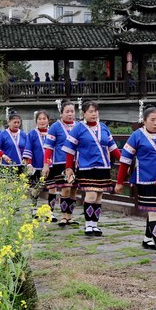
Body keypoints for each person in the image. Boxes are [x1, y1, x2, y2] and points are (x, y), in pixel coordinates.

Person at [115, 106, 156, 259]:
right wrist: (119, 182)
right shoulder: (136, 136)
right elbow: (125, 160)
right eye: (152, 120)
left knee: (155, 210)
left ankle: (147, 239)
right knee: (154, 211)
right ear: (144, 121)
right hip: (146, 180)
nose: (155, 123)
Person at [62, 100, 120, 237]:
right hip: (87, 167)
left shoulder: (104, 127)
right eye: (91, 111)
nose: (94, 114)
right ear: (84, 114)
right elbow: (70, 150)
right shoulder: (78, 128)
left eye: (96, 111)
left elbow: (113, 148)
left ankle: (95, 224)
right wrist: (69, 168)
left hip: (103, 166)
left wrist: (124, 162)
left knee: (99, 197)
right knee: (91, 195)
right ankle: (88, 225)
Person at [43, 101, 79, 226]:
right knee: (66, 188)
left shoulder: (79, 126)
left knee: (74, 189)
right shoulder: (55, 127)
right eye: (67, 111)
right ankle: (63, 215)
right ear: (62, 113)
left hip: (77, 163)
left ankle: (70, 216)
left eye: (72, 111)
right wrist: (46, 164)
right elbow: (49, 147)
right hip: (61, 162)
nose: (70, 114)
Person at [24, 110, 51, 205]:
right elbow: (28, 148)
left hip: (50, 166)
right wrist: (29, 163)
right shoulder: (32, 134)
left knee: (51, 189)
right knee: (35, 188)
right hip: (36, 165)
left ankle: (50, 212)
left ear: (48, 120)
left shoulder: (52, 133)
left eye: (44, 118)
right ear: (36, 121)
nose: (42, 121)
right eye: (39, 119)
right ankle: (34, 209)